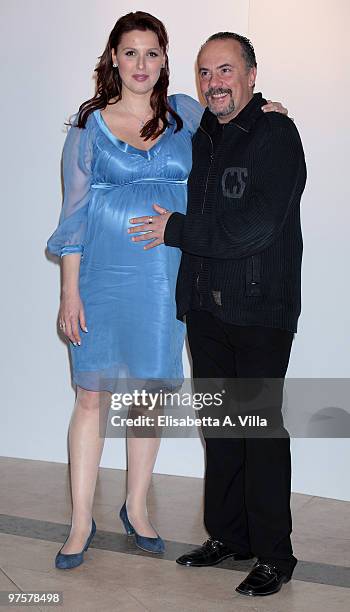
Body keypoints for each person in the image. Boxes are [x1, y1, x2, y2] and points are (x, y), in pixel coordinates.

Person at [47, 11, 287, 571]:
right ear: (113, 58)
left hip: (164, 278)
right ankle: (82, 520)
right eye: (130, 53)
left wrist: (270, 109)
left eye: (152, 53)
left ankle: (137, 507)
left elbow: (237, 113)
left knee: (147, 396)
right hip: (100, 280)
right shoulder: (88, 129)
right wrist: (69, 294)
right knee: (91, 398)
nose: (141, 64)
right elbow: (73, 218)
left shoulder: (186, 112)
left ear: (164, 59)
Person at [128, 32, 306, 597]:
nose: (213, 83)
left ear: (252, 75)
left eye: (225, 71)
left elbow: (257, 227)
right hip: (206, 309)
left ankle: (275, 554)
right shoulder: (200, 130)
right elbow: (154, 95)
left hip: (259, 311)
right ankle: (230, 537)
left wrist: (175, 231)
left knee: (258, 432)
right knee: (222, 430)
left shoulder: (276, 133)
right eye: (205, 73)